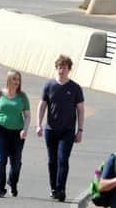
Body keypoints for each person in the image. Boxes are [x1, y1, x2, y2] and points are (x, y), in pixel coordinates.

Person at [36, 55, 85, 203]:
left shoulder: (75, 88)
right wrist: (39, 124)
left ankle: (61, 189)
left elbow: (80, 110)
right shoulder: (49, 85)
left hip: (68, 131)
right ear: (56, 68)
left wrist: (80, 130)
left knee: (63, 159)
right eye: (59, 67)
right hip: (51, 130)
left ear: (69, 70)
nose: (61, 70)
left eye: (64, 67)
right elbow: (42, 105)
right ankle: (54, 189)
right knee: (52, 161)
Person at [0, 70, 31, 198]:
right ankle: (0, 188)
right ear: (8, 80)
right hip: (0, 131)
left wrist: (25, 129)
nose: (16, 82)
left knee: (16, 163)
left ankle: (12, 183)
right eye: (14, 79)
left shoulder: (22, 96)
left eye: (18, 80)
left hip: (17, 134)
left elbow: (27, 115)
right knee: (0, 160)